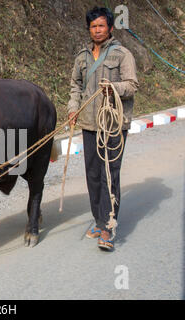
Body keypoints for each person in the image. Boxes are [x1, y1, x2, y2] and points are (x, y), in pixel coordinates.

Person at [66, 7, 138, 251]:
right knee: (93, 175)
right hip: (88, 123)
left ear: (110, 27)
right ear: (89, 29)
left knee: (109, 175)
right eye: (93, 26)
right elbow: (75, 86)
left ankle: (108, 226)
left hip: (113, 124)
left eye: (101, 26)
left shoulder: (122, 55)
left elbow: (131, 85)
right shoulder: (82, 57)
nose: (97, 30)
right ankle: (98, 220)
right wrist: (73, 107)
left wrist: (114, 88)